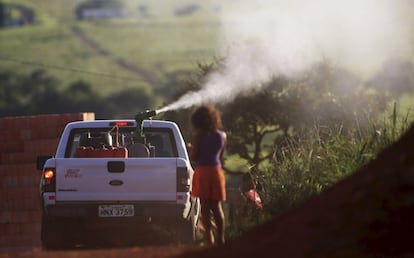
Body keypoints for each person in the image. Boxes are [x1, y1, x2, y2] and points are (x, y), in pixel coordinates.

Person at [188, 104, 227, 245]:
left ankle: (209, 238)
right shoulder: (222, 136)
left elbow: (194, 157)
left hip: (203, 171)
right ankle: (221, 238)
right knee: (217, 207)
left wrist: (190, 149)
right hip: (216, 171)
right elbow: (219, 157)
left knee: (205, 207)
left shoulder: (199, 136)